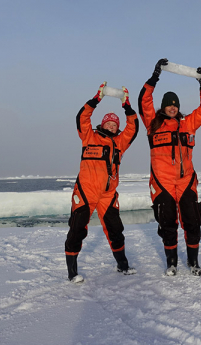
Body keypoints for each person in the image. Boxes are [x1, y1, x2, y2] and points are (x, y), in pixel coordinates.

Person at [138, 58, 201, 276]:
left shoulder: (188, 123)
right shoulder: (153, 122)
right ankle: (171, 263)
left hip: (186, 181)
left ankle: (193, 262)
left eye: (175, 104)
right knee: (168, 224)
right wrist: (155, 76)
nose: (172, 107)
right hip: (162, 183)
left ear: (178, 107)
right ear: (163, 106)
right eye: (169, 104)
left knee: (192, 223)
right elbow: (144, 100)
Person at [65, 82, 139, 283]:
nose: (112, 126)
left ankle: (122, 265)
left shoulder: (120, 143)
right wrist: (96, 98)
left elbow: (133, 127)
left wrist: (127, 106)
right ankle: (72, 272)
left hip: (108, 195)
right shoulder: (88, 136)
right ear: (103, 124)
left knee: (116, 230)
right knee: (77, 230)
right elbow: (82, 117)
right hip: (86, 192)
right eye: (109, 123)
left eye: (115, 124)